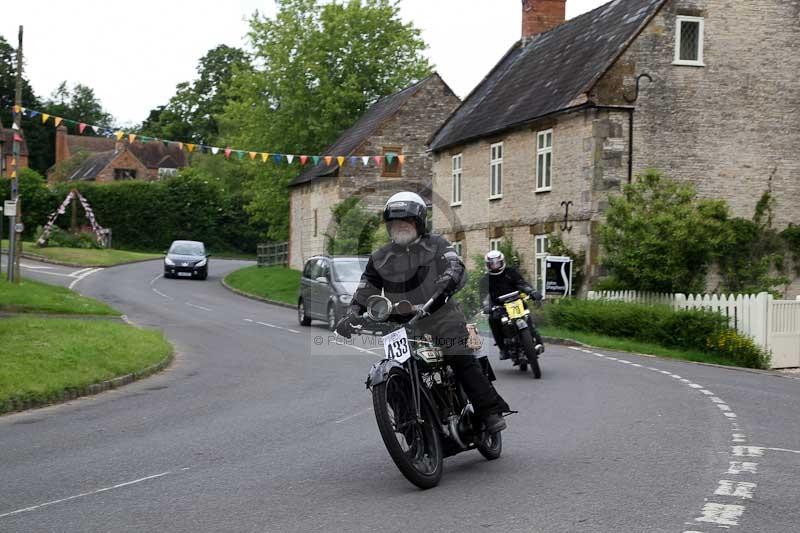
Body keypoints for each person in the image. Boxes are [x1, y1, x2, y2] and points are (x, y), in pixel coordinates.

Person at [335, 191, 510, 433]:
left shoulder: (436, 245)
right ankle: (411, 428)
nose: (400, 227)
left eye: (405, 221)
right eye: (395, 223)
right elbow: (366, 287)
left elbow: (454, 264)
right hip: (399, 324)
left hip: (440, 313)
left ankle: (489, 411)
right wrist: (351, 313)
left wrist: (449, 278)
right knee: (393, 369)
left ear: (418, 222)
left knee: (458, 353)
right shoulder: (380, 257)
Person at [479, 250, 544, 360]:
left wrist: (532, 292)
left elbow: (521, 283)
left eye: (497, 263)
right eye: (492, 264)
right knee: (493, 319)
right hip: (499, 306)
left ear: (502, 262)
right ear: (488, 265)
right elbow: (484, 296)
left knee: (527, 316)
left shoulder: (511, 272)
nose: (495, 266)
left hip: (516, 301)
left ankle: (538, 341)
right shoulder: (485, 279)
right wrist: (486, 306)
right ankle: (503, 348)